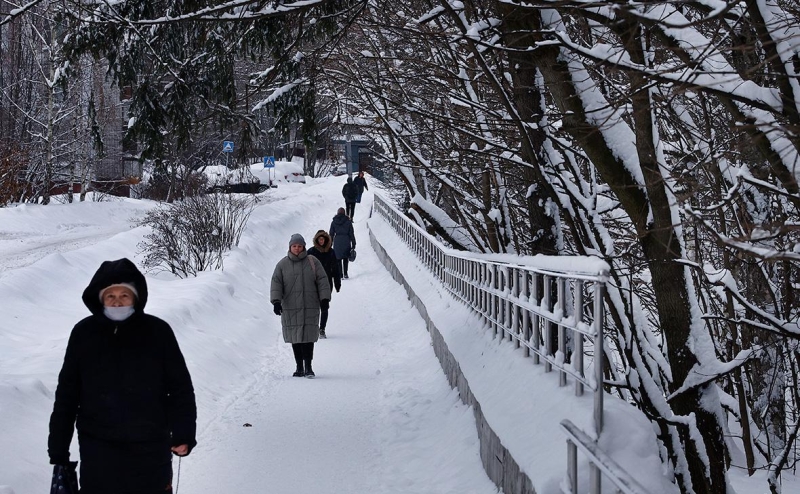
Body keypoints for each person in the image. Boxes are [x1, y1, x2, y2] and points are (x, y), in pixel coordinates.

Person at [48, 258, 197, 494]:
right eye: (111, 296)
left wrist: (183, 433)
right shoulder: (83, 334)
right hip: (98, 449)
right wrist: (58, 446)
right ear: (100, 298)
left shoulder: (158, 332)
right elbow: (67, 394)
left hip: (150, 448)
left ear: (136, 298)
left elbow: (180, 389)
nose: (117, 302)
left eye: (124, 295)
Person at [271, 234, 331, 378]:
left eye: (299, 246)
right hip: (290, 306)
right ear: (290, 247)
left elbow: (323, 280)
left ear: (303, 246)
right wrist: (276, 301)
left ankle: (309, 367)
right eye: (294, 246)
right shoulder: (282, 265)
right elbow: (276, 283)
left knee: (309, 337)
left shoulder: (313, 261)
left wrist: (324, 299)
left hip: (310, 305)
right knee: (295, 338)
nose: (297, 249)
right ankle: (299, 367)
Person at [307, 230, 341, 339]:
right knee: (313, 306)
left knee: (324, 305)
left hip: (326, 283)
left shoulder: (331, 252)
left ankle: (322, 329)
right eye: (319, 239)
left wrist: (337, 283)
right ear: (316, 240)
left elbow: (335, 268)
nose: (321, 241)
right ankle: (313, 327)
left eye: (323, 239)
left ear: (326, 240)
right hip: (313, 282)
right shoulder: (311, 252)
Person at [330, 207, 356, 279]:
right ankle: (345, 273)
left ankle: (340, 274)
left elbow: (331, 233)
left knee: (338, 259)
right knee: (345, 258)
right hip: (346, 240)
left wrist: (330, 242)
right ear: (344, 213)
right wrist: (353, 243)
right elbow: (351, 233)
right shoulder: (348, 222)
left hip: (337, 240)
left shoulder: (334, 222)